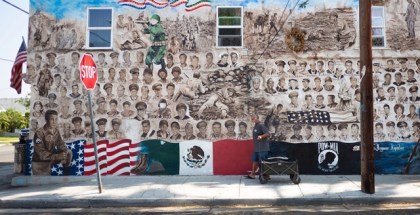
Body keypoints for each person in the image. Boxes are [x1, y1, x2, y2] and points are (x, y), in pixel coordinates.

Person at [32, 110, 72, 175]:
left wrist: (64, 152)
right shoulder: (39, 133)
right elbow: (41, 153)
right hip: (40, 163)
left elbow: (60, 143)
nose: (54, 122)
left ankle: (66, 176)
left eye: (56, 119)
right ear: (46, 120)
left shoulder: (55, 130)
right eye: (52, 119)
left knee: (69, 152)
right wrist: (57, 156)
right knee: (43, 182)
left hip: (50, 158)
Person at [245, 114, 270, 180]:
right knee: (254, 160)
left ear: (258, 118)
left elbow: (267, 134)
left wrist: (261, 136)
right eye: (252, 119)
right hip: (257, 148)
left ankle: (267, 175)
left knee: (263, 162)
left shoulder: (261, 125)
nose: (252, 120)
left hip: (263, 148)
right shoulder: (255, 126)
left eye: (254, 118)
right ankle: (252, 174)